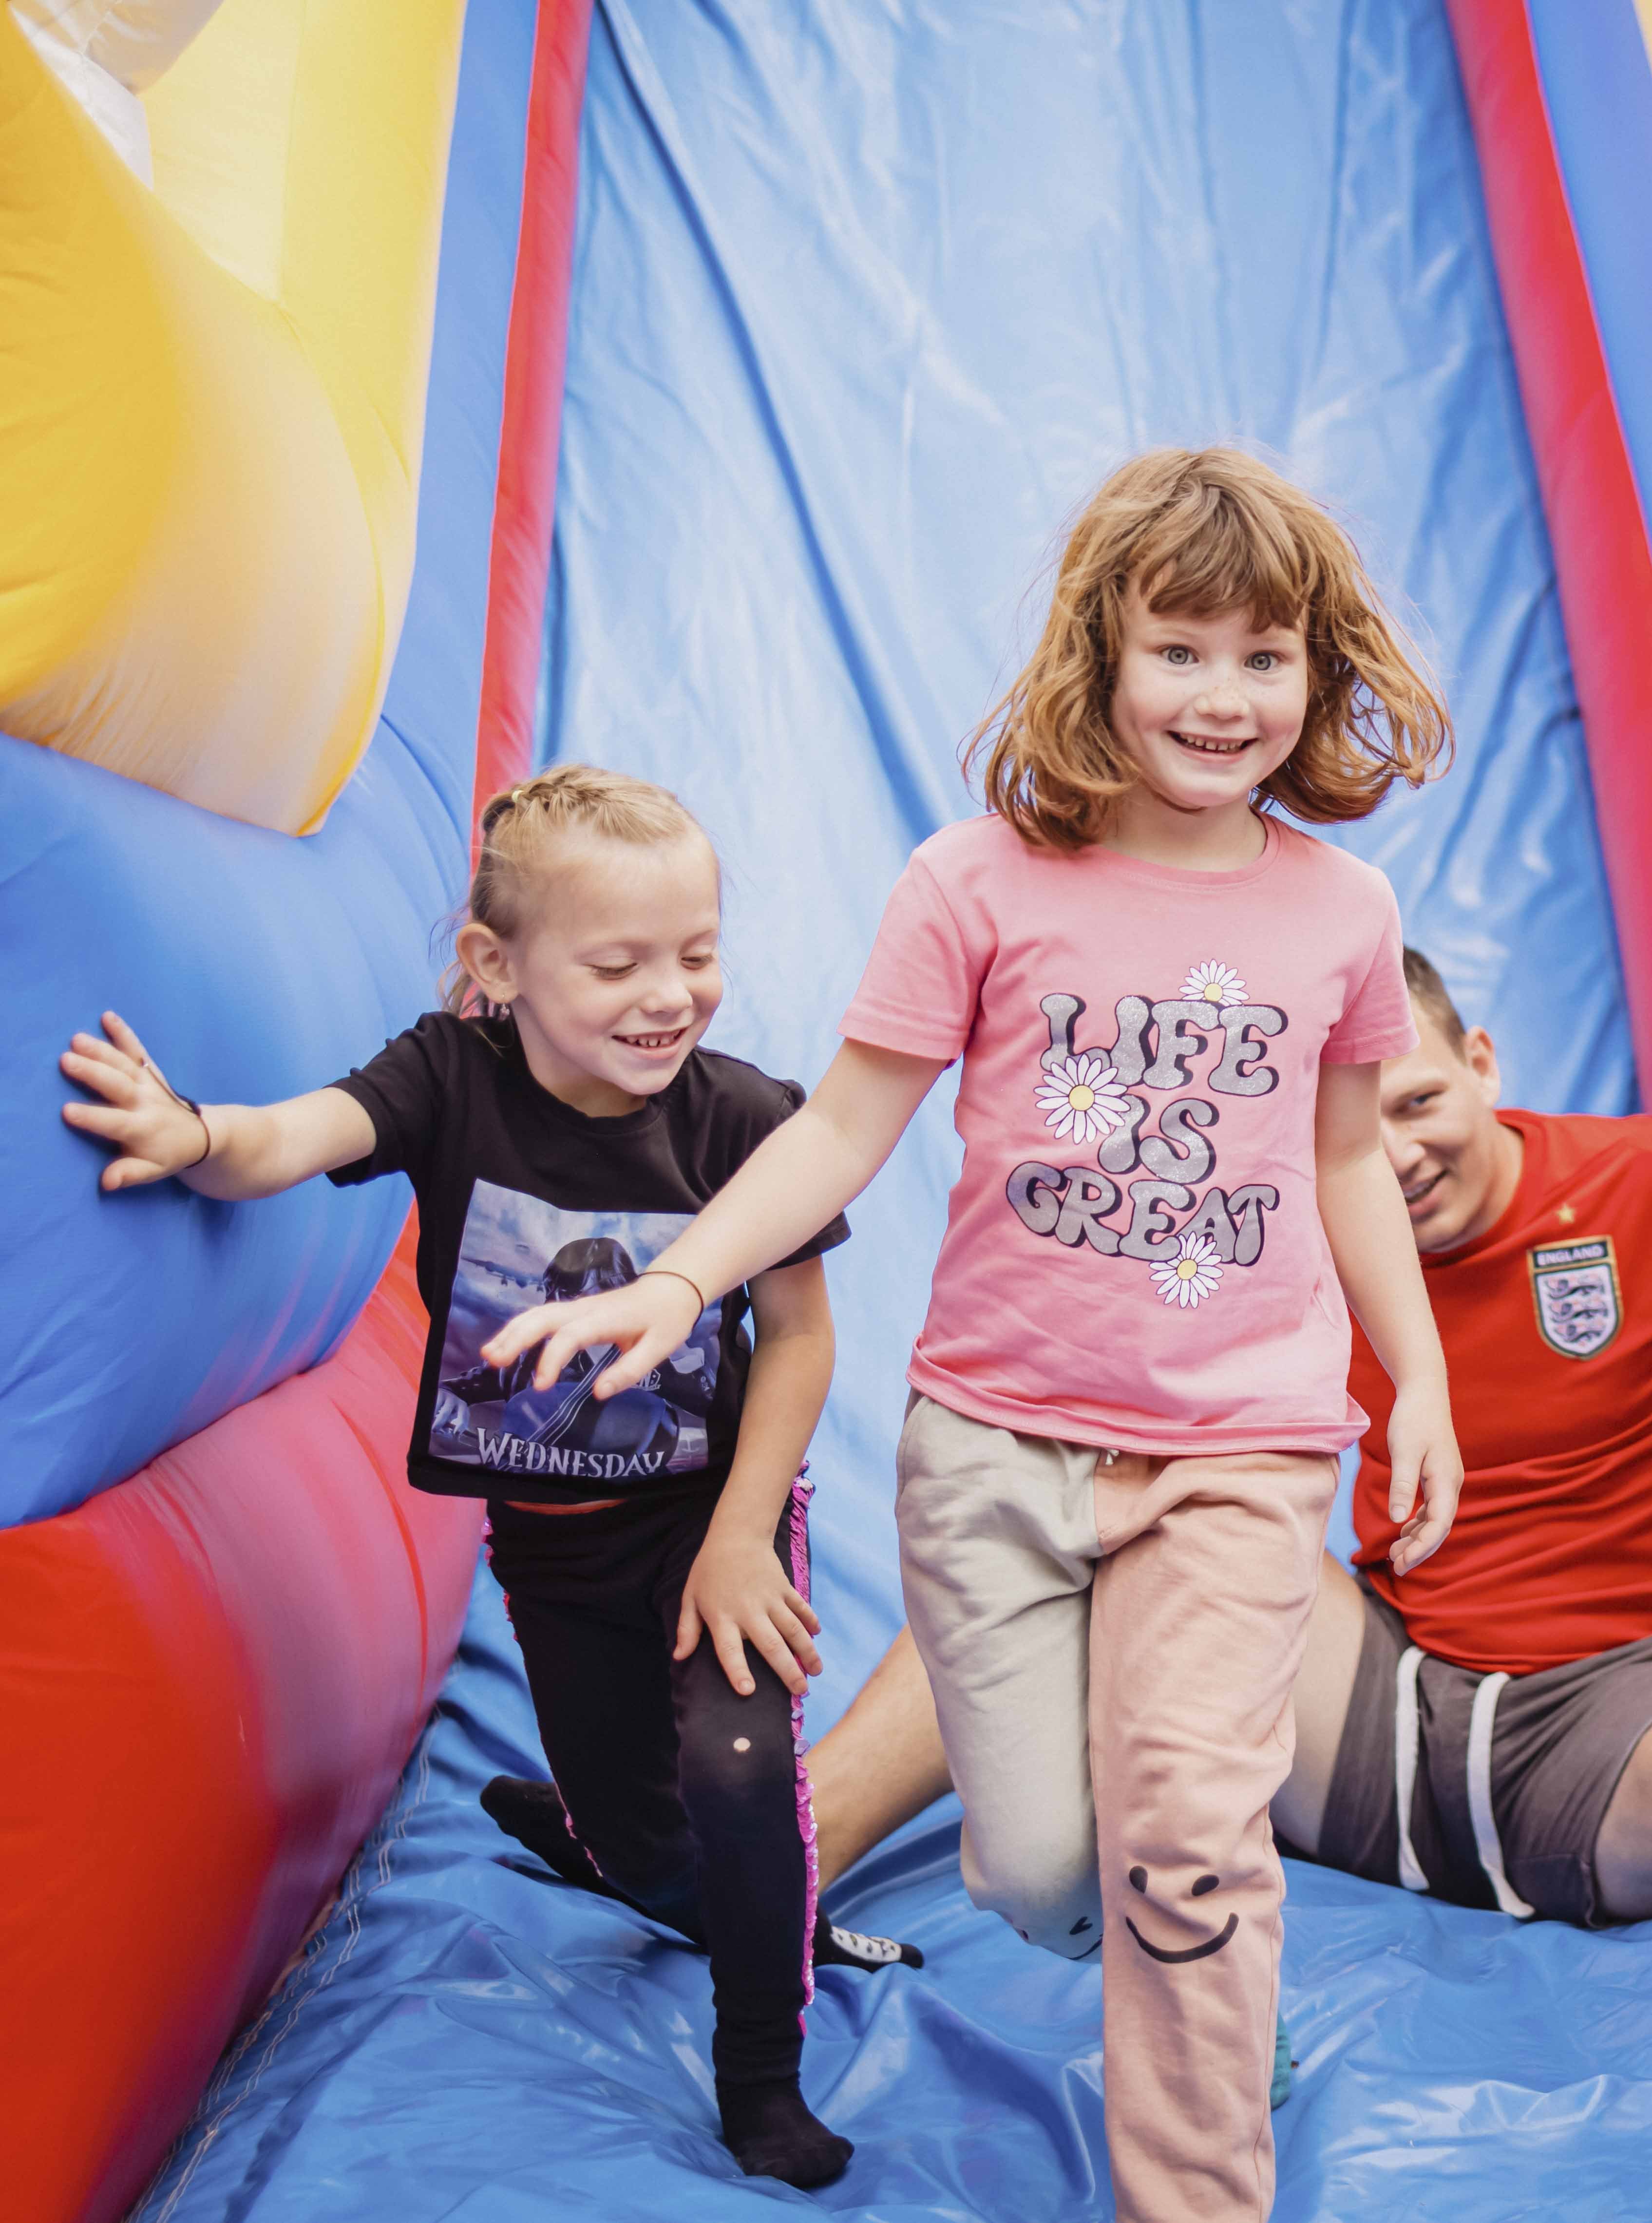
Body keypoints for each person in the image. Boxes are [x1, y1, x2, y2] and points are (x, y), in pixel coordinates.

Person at [475, 449, 1463, 2223]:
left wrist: (1425, 1383)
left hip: (1238, 1443)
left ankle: (1199, 2128)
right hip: (997, 1443)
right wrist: (684, 1278)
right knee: (1037, 1870)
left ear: (1316, 672)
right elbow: (843, 1128)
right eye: (1180, 649)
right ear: (1103, 654)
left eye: (1265, 656)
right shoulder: (979, 882)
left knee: (1186, 1842)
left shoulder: (1341, 911)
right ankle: (1196, 1971)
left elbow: (1343, 1160)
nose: (1223, 696)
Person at [707, 946, 1652, 1994]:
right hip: (1388, 1710)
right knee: (1070, 1514)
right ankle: (772, 1855)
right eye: (1355, 1132)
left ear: (1483, 1062)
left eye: (1421, 1100)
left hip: (1619, 1723)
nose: (1400, 1155)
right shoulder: (1297, 1239)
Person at [59, 767, 869, 2189]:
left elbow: (799, 1335)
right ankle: (608, 1842)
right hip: (551, 1546)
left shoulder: (745, 1119)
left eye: (698, 953)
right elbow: (294, 1135)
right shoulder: (449, 1078)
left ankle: (761, 2071)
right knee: (643, 1839)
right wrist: (197, 1133)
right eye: (618, 964)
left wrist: (746, 1533)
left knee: (738, 1775)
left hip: (707, 1516)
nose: (669, 995)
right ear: (497, 966)